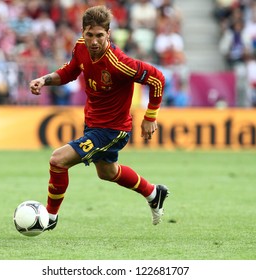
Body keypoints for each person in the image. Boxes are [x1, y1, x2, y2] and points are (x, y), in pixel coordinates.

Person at [29, 5, 169, 230]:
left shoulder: (119, 62)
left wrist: (150, 116)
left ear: (109, 34)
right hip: (93, 124)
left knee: (58, 160)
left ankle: (50, 218)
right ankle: (154, 193)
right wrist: (44, 80)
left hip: (113, 129)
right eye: (89, 35)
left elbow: (157, 78)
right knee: (107, 172)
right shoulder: (81, 47)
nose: (94, 41)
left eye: (100, 36)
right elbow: (70, 72)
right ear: (83, 32)